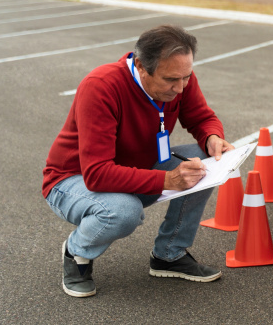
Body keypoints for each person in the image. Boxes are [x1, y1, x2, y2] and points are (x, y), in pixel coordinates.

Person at [42, 25, 234, 298]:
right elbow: (97, 174)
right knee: (124, 211)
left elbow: (202, 118)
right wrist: (168, 180)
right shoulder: (101, 86)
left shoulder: (178, 77)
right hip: (72, 180)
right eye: (171, 80)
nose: (180, 88)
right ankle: (77, 253)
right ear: (142, 67)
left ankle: (169, 255)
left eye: (186, 77)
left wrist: (212, 138)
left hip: (134, 169)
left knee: (203, 161)